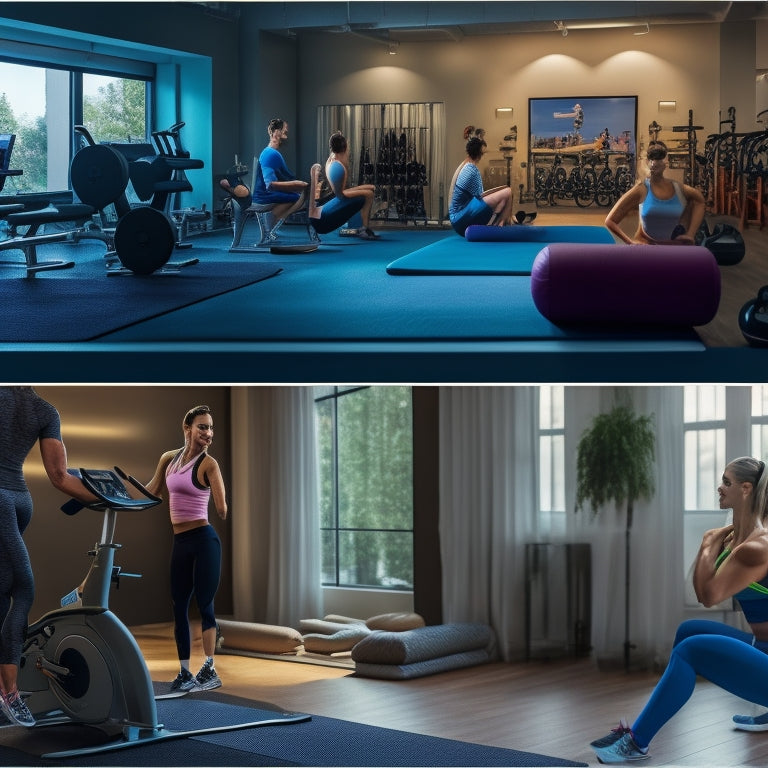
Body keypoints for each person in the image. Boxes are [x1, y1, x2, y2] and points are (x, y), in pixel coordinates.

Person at [591, 456, 768, 764]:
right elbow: (702, 591)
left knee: (692, 649)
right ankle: (654, 716)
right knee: (689, 631)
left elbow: (709, 594)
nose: (719, 487)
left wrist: (706, 543)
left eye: (726, 482)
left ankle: (637, 741)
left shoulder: (757, 546)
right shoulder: (738, 538)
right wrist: (712, 542)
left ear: (745, 489)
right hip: (762, 649)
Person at [0, 387, 98, 727]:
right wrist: (105, 497)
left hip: (10, 502)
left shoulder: (43, 410)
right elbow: (61, 478)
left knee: (5, 593)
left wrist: (110, 499)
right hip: (16, 499)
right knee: (23, 588)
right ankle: (9, 694)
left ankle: (4, 691)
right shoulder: (44, 410)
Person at [146, 405, 228, 693]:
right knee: (178, 606)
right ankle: (184, 672)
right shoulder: (169, 459)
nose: (208, 433)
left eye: (210, 427)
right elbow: (151, 491)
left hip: (204, 540)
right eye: (202, 427)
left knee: (204, 604)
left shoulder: (209, 465)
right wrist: (117, 495)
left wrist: (218, 492)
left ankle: (209, 669)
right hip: (180, 542)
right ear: (187, 428)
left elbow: (223, 509)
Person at [605, 140, 705, 245]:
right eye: (652, 159)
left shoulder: (679, 189)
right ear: (648, 161)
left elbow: (700, 201)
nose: (654, 163)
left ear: (665, 162)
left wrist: (690, 234)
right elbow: (610, 221)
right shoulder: (641, 189)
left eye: (659, 159)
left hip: (675, 251)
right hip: (648, 250)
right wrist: (630, 243)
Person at [308, 131, 378, 239]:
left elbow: (333, 142)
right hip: (337, 200)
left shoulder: (333, 157)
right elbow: (340, 195)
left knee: (370, 188)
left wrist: (337, 136)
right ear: (344, 147)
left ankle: (363, 227)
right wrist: (363, 192)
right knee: (369, 194)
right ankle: (364, 229)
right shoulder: (338, 168)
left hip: (340, 193)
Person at [250, 118, 309, 239]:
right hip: (263, 196)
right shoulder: (270, 154)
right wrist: (298, 185)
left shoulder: (272, 153)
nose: (286, 130)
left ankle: (272, 221)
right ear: (277, 131)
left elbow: (286, 177)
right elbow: (270, 184)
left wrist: (296, 185)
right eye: (284, 129)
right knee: (300, 198)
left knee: (299, 196)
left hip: (265, 193)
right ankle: (272, 223)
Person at [448, 135, 513, 236]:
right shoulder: (472, 170)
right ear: (480, 154)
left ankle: (502, 223)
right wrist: (502, 194)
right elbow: (482, 196)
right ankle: (501, 224)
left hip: (457, 220)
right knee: (508, 192)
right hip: (460, 219)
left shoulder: (466, 166)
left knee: (506, 192)